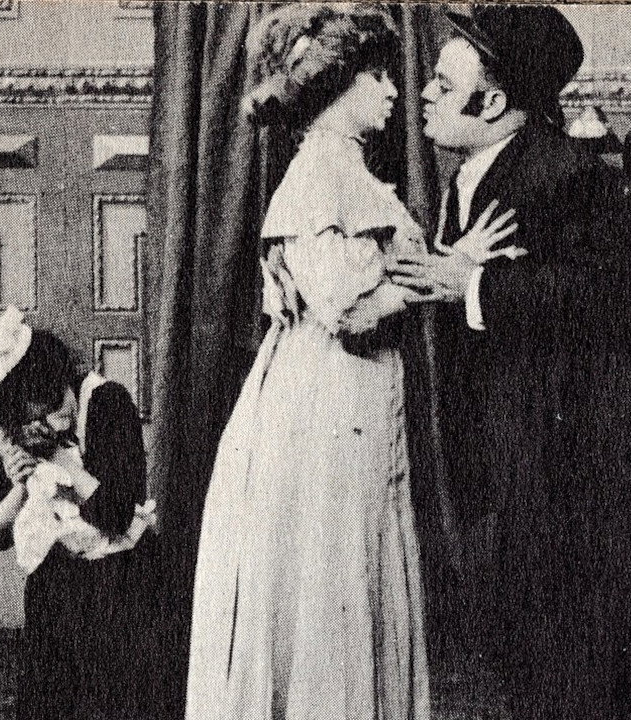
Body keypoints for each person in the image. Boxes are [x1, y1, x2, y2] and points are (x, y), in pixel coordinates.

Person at [184, 6, 514, 718]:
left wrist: (445, 269)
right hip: (325, 400)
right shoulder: (319, 174)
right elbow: (348, 311)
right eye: (375, 76)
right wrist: (452, 266)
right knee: (331, 571)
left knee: (356, 563)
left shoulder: (348, 171)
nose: (394, 90)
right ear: (334, 84)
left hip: (353, 394)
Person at [388, 6, 631, 720]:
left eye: (444, 86)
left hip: (566, 466)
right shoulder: (474, 174)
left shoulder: (568, 174)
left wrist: (472, 284)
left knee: (569, 659)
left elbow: (609, 297)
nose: (424, 95)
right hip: (511, 456)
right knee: (526, 651)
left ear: (493, 103)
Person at [0, 306, 160, 720]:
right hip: (56, 588)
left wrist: (62, 461)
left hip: (122, 583)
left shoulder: (106, 402)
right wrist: (18, 487)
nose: (59, 416)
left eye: (58, 398)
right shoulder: (4, 427)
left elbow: (116, 516)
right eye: (38, 415)